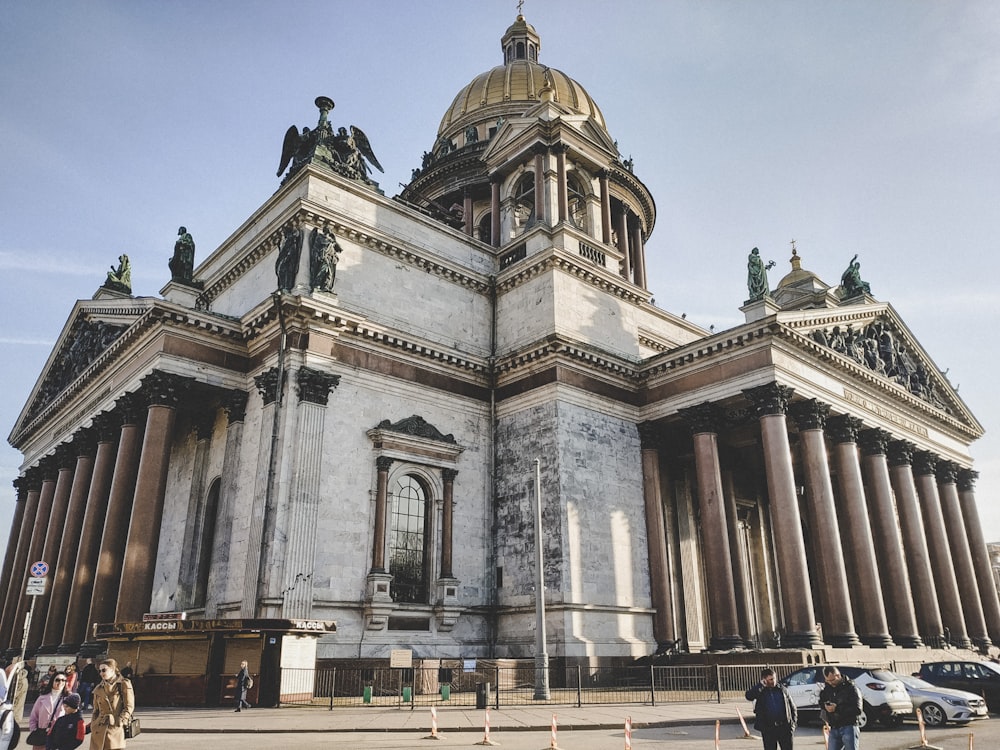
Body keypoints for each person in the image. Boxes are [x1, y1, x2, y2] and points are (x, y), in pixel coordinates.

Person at [745, 668, 797, 750]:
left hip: (784, 727)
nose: (774, 681)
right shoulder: (760, 691)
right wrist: (760, 685)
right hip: (768, 728)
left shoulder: (782, 689)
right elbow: (749, 696)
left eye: (774, 678)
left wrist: (792, 724)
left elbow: (792, 707)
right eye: (771, 679)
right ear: (764, 680)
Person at [89, 659, 134, 750]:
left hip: (114, 728)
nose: (101, 673)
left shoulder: (123, 684)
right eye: (100, 671)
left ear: (112, 669)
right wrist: (93, 723)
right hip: (99, 729)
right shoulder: (98, 688)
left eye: (104, 670)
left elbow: (129, 706)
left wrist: (121, 721)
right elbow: (96, 710)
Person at [819, 666, 863, 750]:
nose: (830, 683)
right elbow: (821, 702)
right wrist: (825, 706)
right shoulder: (827, 689)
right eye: (827, 680)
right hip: (834, 727)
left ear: (838, 676)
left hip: (849, 726)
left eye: (832, 680)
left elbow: (857, 709)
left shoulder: (851, 688)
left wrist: (837, 708)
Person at [29, 672, 68, 750]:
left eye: (63, 680)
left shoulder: (68, 699)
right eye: (58, 680)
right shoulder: (42, 698)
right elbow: (33, 717)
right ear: (52, 681)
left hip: (58, 736)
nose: (60, 682)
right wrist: (34, 730)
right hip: (41, 735)